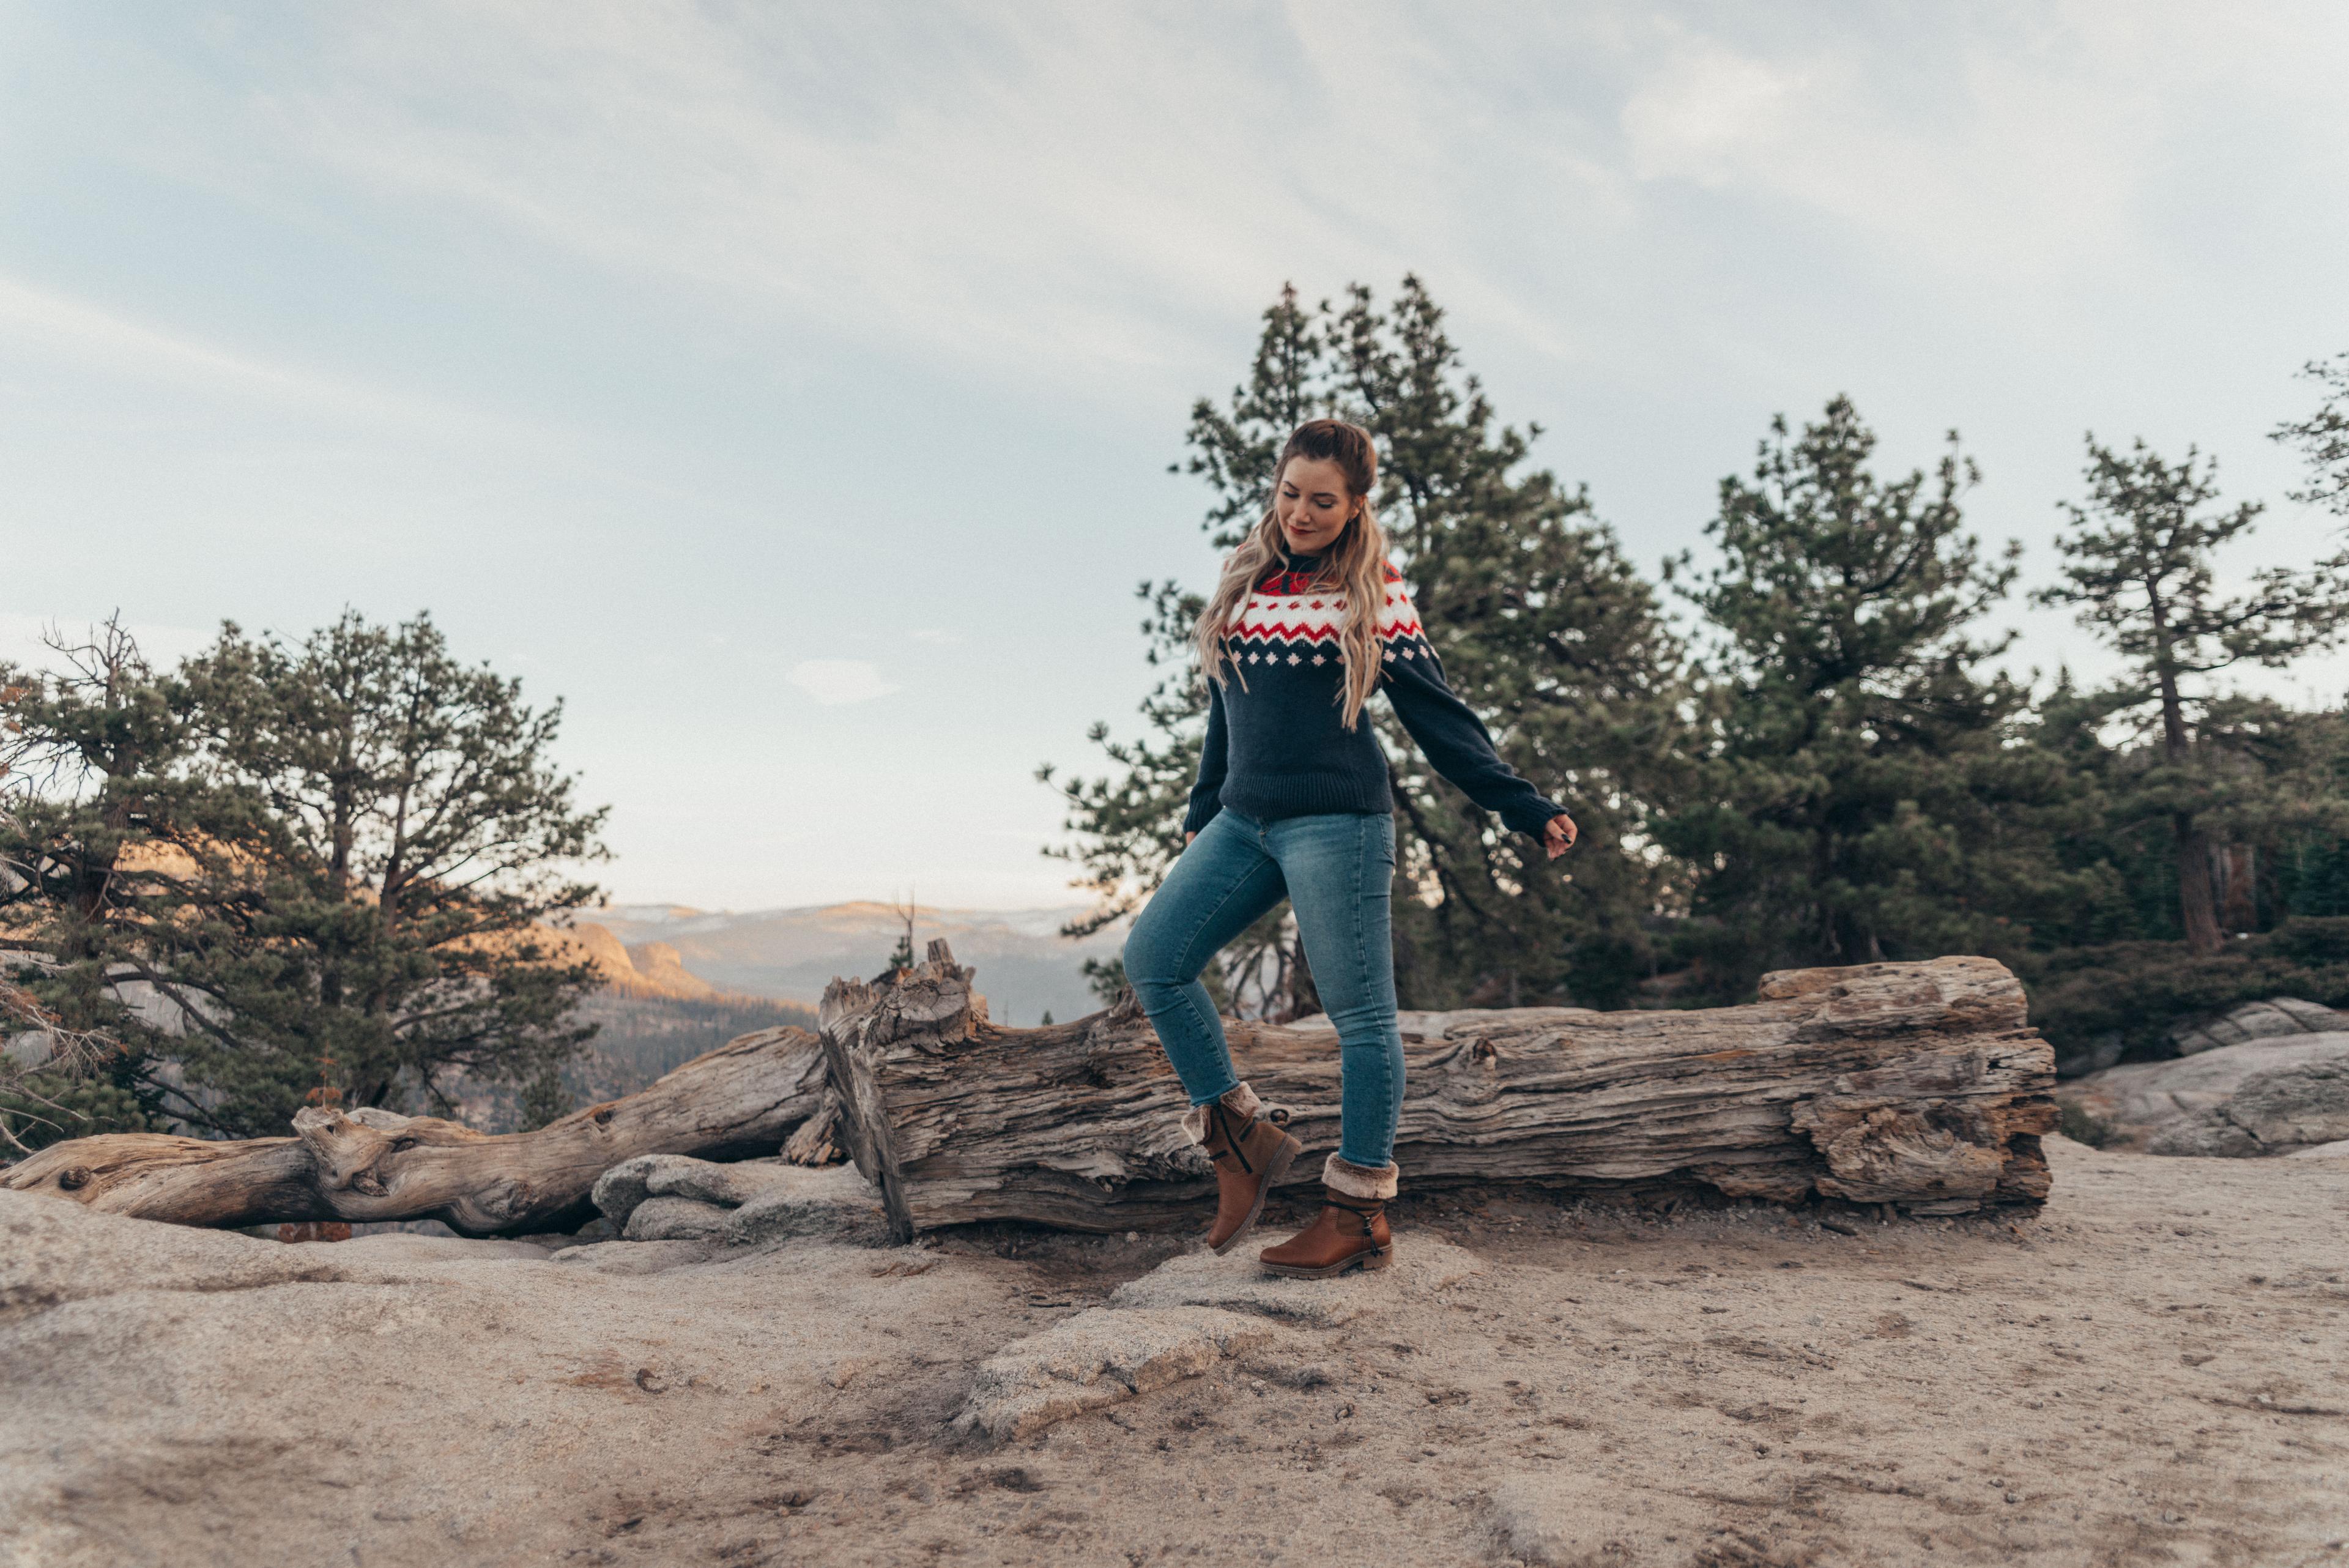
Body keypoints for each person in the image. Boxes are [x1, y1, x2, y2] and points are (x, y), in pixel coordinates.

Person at [1122, 418, 1577, 1279]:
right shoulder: (1244, 578)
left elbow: (1440, 718)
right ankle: (1240, 1139)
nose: (1300, 512)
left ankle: (1359, 1211)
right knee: (1154, 958)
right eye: (1290, 493)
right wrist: (1200, 808)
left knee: (1362, 1020)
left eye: (1322, 502)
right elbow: (1226, 706)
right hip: (1242, 820)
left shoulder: (1373, 593)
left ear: (1356, 505)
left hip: (1339, 822)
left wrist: (1521, 803)